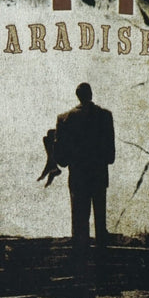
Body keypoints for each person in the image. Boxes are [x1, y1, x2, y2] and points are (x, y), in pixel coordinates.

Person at [52, 82, 115, 255]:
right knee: (100, 219)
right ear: (91, 95)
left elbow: (61, 159)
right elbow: (111, 155)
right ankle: (102, 257)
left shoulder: (64, 119)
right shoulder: (105, 116)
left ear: (77, 96)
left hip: (78, 176)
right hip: (99, 175)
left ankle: (80, 258)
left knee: (79, 221)